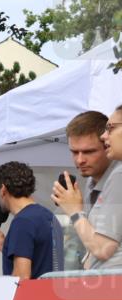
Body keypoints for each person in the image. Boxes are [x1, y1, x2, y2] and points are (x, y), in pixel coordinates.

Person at [52, 107, 122, 271]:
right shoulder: (92, 183)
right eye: (74, 152)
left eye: (89, 151)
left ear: (106, 145)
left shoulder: (118, 175)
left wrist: (75, 212)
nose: (80, 160)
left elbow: (103, 249)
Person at [0, 161, 64, 279]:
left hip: (32, 297)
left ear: (3, 190)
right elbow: (42, 260)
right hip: (50, 294)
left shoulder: (22, 222)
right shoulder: (48, 216)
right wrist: (7, 247)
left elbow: (21, 278)